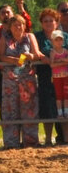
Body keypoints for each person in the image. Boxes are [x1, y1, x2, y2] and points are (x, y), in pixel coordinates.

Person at [0, 14, 40, 149]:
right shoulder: (5, 38)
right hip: (10, 80)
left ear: (24, 25)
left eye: (20, 24)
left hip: (27, 79)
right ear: (10, 27)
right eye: (15, 25)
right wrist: (12, 60)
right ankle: (11, 143)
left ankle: (31, 142)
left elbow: (37, 54)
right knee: (10, 110)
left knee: (29, 110)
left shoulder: (29, 37)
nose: (18, 27)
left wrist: (31, 56)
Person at [34, 9, 66, 146]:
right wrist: (42, 57)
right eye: (45, 21)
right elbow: (34, 51)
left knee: (65, 106)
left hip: (64, 76)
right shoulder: (37, 37)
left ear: (57, 22)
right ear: (41, 23)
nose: (48, 23)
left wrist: (58, 62)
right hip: (45, 77)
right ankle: (48, 138)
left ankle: (65, 137)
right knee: (47, 107)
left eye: (51, 20)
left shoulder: (65, 36)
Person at [0, 0, 32, 87]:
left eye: (8, 12)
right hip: (2, 72)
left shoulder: (20, 30)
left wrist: (21, 8)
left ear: (12, 14)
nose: (6, 15)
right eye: (3, 13)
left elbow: (27, 24)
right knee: (4, 100)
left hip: (21, 70)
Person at [49, 29, 68, 118]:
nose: (59, 41)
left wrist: (60, 60)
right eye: (56, 39)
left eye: (60, 39)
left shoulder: (65, 51)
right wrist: (63, 62)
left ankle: (66, 112)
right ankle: (60, 112)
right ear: (52, 41)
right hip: (56, 76)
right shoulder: (53, 52)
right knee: (59, 95)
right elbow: (52, 64)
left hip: (65, 75)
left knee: (66, 93)